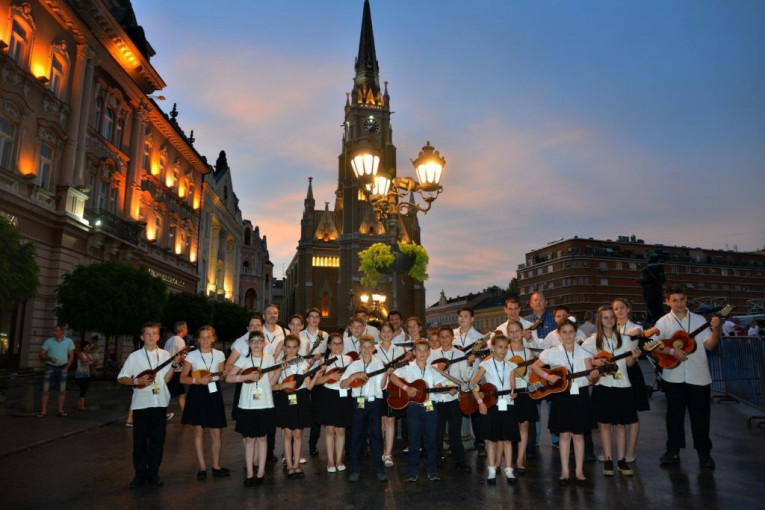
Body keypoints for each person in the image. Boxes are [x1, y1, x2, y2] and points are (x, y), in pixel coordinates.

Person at [652, 285, 721, 469]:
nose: (679, 303)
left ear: (686, 299)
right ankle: (673, 450)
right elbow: (653, 345)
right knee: (674, 416)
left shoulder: (699, 320)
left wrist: (716, 330)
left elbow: (710, 346)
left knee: (701, 417)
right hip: (673, 376)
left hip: (699, 376)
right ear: (668, 302)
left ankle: (704, 453)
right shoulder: (663, 322)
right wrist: (672, 351)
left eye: (681, 299)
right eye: (674, 300)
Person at [531, 321, 598, 486]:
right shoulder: (552, 353)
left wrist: (595, 375)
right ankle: (565, 471)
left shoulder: (585, 351)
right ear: (559, 334)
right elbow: (535, 366)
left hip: (580, 396)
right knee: (564, 434)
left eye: (571, 332)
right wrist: (548, 377)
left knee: (579, 434)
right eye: (565, 332)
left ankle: (579, 471)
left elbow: (591, 378)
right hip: (562, 396)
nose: (568, 335)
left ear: (576, 333)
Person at [117, 322, 181, 489]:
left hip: (160, 402)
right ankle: (139, 474)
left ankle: (153, 473)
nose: (151, 336)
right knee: (139, 442)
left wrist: (174, 365)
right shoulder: (135, 356)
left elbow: (165, 379)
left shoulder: (166, 354)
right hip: (141, 404)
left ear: (159, 336)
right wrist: (137, 381)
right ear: (142, 337)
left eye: (154, 333)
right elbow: (121, 378)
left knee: (157, 441)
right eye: (148, 333)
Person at [584, 306, 641, 477]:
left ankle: (622, 460)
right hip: (603, 387)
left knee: (621, 425)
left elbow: (629, 365)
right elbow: (587, 364)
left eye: (611, 317)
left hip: (623, 386)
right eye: (605, 318)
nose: (609, 320)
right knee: (605, 425)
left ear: (615, 319)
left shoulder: (625, 339)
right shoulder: (592, 341)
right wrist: (595, 365)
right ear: (600, 321)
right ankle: (608, 459)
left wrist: (633, 357)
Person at [390, 340, 449, 482]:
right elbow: (393, 376)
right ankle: (412, 471)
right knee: (414, 439)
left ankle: (432, 470)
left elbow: (440, 384)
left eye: (425, 351)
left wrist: (447, 388)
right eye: (419, 350)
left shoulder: (433, 370)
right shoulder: (408, 367)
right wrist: (406, 388)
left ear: (429, 353)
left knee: (431, 440)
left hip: (430, 407)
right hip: (414, 408)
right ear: (414, 352)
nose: (422, 353)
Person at [225, 331, 279, 486]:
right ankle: (249, 473)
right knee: (249, 440)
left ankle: (261, 472)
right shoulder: (243, 359)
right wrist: (245, 377)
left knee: (262, 439)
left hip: (265, 404)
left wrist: (279, 370)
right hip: (247, 404)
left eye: (259, 341)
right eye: (253, 341)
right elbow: (228, 378)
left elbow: (270, 383)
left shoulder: (269, 359)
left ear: (264, 343)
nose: (256, 344)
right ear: (248, 344)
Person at [179, 326, 229, 480]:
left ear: (213, 338)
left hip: (214, 393)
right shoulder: (192, 356)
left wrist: (223, 374)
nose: (206, 340)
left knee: (216, 431)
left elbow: (222, 377)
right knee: (198, 431)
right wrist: (198, 380)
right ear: (198, 340)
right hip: (197, 393)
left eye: (209, 337)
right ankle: (202, 467)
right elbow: (182, 378)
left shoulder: (220, 354)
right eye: (203, 337)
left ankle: (216, 465)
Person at [471, 333, 518, 485]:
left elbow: (512, 385)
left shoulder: (511, 365)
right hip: (491, 406)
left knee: (507, 440)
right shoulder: (486, 365)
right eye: (500, 347)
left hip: (508, 406)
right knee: (491, 440)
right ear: (493, 348)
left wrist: (513, 393)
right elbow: (473, 384)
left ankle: (509, 469)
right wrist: (480, 402)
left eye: (505, 347)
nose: (503, 350)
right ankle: (491, 469)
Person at [340, 334, 388, 482]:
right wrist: (354, 376)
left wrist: (386, 374)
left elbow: (382, 386)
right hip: (358, 403)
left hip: (374, 403)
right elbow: (342, 384)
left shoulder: (380, 364)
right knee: (356, 436)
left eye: (369, 347)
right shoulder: (354, 365)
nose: (367, 350)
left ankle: (379, 469)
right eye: (364, 347)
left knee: (376, 436)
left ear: (373, 348)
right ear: (359, 348)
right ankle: (355, 469)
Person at [274, 335, 321, 479]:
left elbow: (309, 386)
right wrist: (281, 373)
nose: (292, 350)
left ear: (298, 348)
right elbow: (272, 385)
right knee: (287, 433)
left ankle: (296, 465)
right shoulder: (279, 363)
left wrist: (316, 374)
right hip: (285, 398)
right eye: (288, 347)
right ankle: (289, 465)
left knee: (298, 434)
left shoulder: (302, 363)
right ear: (284, 348)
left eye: (295, 347)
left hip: (300, 398)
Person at [612, 297, 649, 463]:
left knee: (632, 414)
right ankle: (618, 451)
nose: (618, 311)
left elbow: (626, 341)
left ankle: (631, 451)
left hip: (630, 370)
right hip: (613, 372)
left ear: (628, 310)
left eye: (621, 307)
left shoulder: (636, 328)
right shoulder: (610, 328)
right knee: (617, 414)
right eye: (615, 308)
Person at [431, 325, 471, 473]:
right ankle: (435, 459)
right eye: (442, 337)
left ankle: (459, 461)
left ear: (452, 338)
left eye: (447, 336)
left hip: (454, 398)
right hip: (438, 398)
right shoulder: (433, 354)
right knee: (437, 431)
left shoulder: (459, 353)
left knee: (455, 431)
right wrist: (440, 383)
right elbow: (430, 374)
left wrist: (468, 364)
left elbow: (465, 377)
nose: (445, 339)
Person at [313, 332, 353, 472]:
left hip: (343, 395)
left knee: (341, 430)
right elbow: (315, 381)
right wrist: (328, 375)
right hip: (328, 395)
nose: (337, 346)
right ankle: (330, 461)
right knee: (329, 430)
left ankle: (339, 459)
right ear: (329, 345)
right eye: (334, 343)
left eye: (340, 343)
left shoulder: (349, 359)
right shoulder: (324, 360)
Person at [505, 320, 539, 473]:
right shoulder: (503, 351)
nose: (514, 334)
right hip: (509, 393)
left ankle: (519, 459)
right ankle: (506, 459)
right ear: (507, 334)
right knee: (508, 426)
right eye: (511, 332)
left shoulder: (528, 352)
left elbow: (534, 373)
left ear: (522, 332)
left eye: (517, 331)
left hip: (524, 393)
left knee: (524, 426)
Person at [376, 322, 407, 467]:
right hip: (378, 388)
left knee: (390, 420)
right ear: (379, 333)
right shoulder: (374, 349)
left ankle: (388, 453)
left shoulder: (399, 350)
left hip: (394, 388)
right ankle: (381, 450)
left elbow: (404, 369)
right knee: (381, 421)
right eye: (383, 331)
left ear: (393, 333)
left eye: (389, 331)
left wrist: (394, 372)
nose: (386, 334)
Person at [300, 307, 328, 456]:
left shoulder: (324, 335)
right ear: (307, 319)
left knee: (317, 411)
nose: (314, 319)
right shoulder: (299, 335)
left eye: (317, 317)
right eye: (311, 316)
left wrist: (321, 363)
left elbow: (327, 356)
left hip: (318, 375)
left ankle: (312, 444)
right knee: (301, 410)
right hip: (303, 374)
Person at [38, 325, 76, 418]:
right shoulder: (49, 341)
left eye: (56, 331)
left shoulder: (68, 341)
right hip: (50, 367)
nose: (54, 332)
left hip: (63, 367)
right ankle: (43, 411)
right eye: (53, 331)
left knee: (62, 390)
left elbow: (71, 355)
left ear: (62, 332)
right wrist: (49, 358)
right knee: (46, 389)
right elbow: (42, 354)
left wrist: (67, 367)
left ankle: (60, 410)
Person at [164, 321, 189, 421]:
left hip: (169, 370)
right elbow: (181, 356)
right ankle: (161, 413)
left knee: (181, 394)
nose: (187, 330)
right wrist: (189, 366)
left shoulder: (169, 340)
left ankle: (186, 415)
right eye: (186, 328)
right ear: (182, 329)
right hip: (176, 371)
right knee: (170, 394)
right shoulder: (179, 341)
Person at [75, 339, 95, 411]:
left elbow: (92, 363)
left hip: (87, 374)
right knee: (83, 389)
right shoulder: (81, 354)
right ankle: (82, 405)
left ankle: (79, 405)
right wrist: (90, 360)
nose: (88, 348)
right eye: (87, 347)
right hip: (80, 375)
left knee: (84, 389)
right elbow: (84, 360)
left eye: (89, 347)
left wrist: (93, 369)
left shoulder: (89, 355)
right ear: (83, 347)